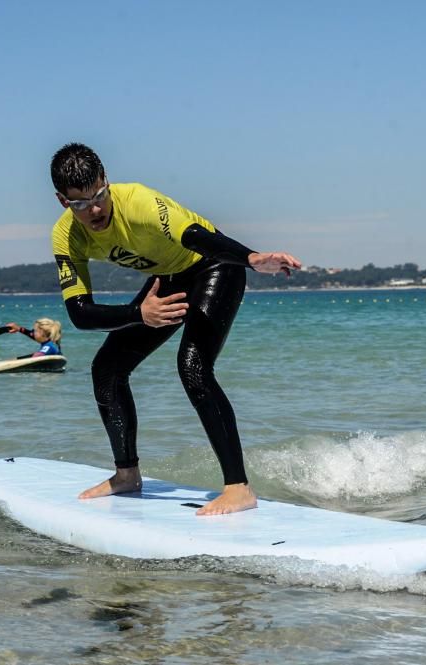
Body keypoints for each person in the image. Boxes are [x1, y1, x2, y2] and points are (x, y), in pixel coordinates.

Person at [49, 142, 301, 515]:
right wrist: (139, 313)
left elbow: (197, 237)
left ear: (107, 182)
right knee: (107, 368)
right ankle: (126, 474)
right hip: (169, 278)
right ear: (62, 202)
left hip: (215, 266)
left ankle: (238, 488)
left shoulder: (140, 203)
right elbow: (80, 313)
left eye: (99, 195)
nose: (95, 209)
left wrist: (250, 259)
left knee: (193, 367)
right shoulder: (66, 235)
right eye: (81, 204)